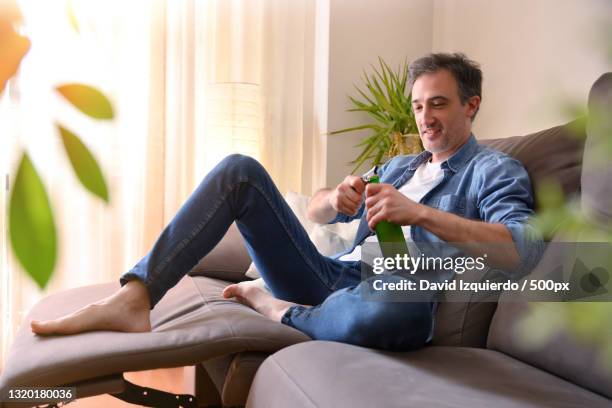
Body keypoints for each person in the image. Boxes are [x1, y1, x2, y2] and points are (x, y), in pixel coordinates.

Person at [30, 53, 543, 351]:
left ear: (471, 105)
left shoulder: (492, 170)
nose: (424, 118)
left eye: (438, 104)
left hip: (394, 291)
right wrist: (334, 198)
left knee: (401, 314)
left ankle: (277, 310)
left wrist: (421, 214)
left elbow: (523, 247)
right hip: (330, 276)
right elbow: (320, 213)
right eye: (417, 106)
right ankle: (134, 297)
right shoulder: (399, 166)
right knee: (239, 170)